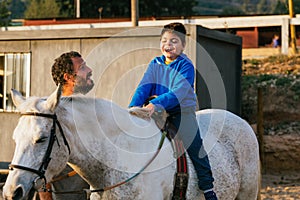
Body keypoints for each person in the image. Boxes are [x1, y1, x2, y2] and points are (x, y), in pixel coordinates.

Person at [129, 22, 218, 200]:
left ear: (183, 45)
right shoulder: (155, 64)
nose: (168, 45)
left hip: (180, 112)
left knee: (194, 146)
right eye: (164, 40)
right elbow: (143, 87)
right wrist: (133, 108)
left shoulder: (186, 66)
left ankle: (207, 187)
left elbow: (178, 92)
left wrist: (156, 104)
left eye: (174, 41)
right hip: (156, 112)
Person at [38, 51, 94, 200]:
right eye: (82, 68)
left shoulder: (89, 110)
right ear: (68, 77)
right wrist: (46, 197)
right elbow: (40, 164)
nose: (89, 70)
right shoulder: (52, 113)